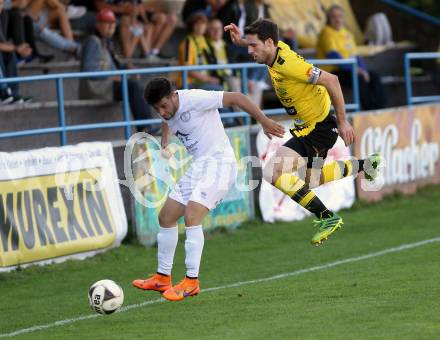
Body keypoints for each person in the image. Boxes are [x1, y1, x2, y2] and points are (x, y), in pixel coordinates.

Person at [225, 18, 382, 245]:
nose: (250, 51)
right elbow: (261, 45)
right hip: (310, 127)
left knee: (272, 173)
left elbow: (332, 80)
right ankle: (366, 165)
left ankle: (327, 217)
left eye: (253, 46)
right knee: (310, 181)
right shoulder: (276, 50)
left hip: (318, 129)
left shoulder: (288, 63)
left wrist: (343, 121)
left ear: (269, 42)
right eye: (248, 46)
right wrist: (241, 40)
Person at [132, 77, 285, 301]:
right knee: (166, 216)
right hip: (199, 166)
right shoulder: (167, 108)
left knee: (192, 215)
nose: (162, 112)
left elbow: (237, 97)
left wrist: (263, 120)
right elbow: (167, 120)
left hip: (220, 165)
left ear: (174, 95)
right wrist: (165, 141)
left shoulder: (195, 98)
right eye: (156, 109)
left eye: (163, 106)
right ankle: (162, 278)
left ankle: (191, 281)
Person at [79, 8, 152, 131]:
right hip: (97, 87)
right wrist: (111, 76)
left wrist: (127, 67)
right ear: (98, 24)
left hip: (107, 84)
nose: (111, 26)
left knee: (137, 86)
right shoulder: (93, 41)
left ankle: (146, 126)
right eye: (107, 22)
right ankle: (145, 127)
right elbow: (88, 71)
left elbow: (113, 65)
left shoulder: (106, 42)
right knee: (132, 86)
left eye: (113, 23)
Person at [316, 5, 386, 111]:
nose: (337, 19)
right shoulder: (326, 32)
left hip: (349, 69)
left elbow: (356, 56)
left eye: (340, 16)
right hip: (331, 71)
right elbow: (334, 57)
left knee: (374, 76)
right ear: (328, 19)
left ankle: (380, 108)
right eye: (334, 17)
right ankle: (368, 109)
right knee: (358, 78)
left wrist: (363, 70)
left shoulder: (347, 34)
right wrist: (356, 70)